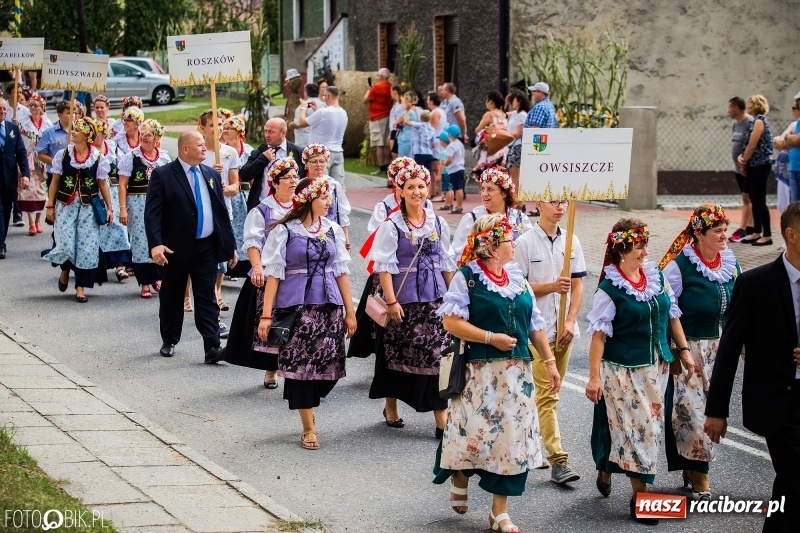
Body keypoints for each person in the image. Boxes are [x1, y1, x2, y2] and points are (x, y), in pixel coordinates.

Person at [433, 213, 560, 533]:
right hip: (479, 375)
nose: (514, 243)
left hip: (517, 375)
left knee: (513, 441)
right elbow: (451, 321)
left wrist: (550, 361)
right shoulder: (468, 277)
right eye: (508, 239)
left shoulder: (517, 278)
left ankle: (499, 512)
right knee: (474, 437)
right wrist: (490, 338)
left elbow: (534, 325)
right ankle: (461, 475)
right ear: (490, 246)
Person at [585, 218, 692, 525]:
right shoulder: (610, 288)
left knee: (650, 429)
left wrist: (683, 351)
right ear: (621, 250)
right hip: (623, 370)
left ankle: (607, 466)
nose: (645, 250)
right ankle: (641, 499)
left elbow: (672, 315)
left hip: (657, 367)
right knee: (639, 431)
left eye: (646, 243)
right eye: (639, 245)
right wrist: (594, 377)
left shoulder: (657, 276)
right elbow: (598, 336)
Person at [705, 202, 800, 533]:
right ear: (791, 235)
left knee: (790, 487)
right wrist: (716, 410)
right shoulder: (757, 284)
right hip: (778, 403)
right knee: (795, 478)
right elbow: (729, 349)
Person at [257, 176, 356, 450]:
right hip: (298, 308)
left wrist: (350, 311)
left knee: (331, 368)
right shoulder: (285, 231)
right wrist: (266, 315)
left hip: (329, 306)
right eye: (323, 198)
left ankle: (309, 403)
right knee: (301, 367)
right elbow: (274, 275)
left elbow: (341, 271)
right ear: (309, 200)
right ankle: (308, 427)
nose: (328, 203)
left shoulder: (333, 229)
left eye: (329, 198)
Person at [657, 204, 740, 501]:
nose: (723, 235)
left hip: (720, 349)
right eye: (717, 231)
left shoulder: (730, 264)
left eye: (724, 230)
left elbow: (740, 310)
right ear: (699, 234)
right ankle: (701, 475)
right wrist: (681, 349)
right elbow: (669, 310)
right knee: (691, 412)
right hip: (689, 348)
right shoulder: (679, 267)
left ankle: (692, 466)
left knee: (712, 409)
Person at [367, 164, 456, 436]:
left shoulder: (437, 222)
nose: (417, 192)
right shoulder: (392, 225)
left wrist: (454, 297)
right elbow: (384, 267)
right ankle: (391, 405)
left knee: (436, 356)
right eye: (411, 187)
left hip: (435, 299)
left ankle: (441, 420)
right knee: (396, 353)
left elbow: (446, 261)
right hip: (403, 301)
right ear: (400, 192)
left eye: (421, 186)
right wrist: (392, 302)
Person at [143, 131, 237, 363]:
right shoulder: (163, 175)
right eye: (200, 145)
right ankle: (170, 339)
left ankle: (212, 346)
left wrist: (230, 245)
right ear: (185, 149)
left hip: (205, 247)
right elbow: (152, 214)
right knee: (172, 295)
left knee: (206, 296)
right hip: (174, 248)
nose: (205, 148)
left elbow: (220, 212)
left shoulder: (210, 174)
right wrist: (156, 244)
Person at [515, 197, 586, 485]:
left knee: (545, 395)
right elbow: (516, 287)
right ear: (539, 206)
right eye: (553, 202)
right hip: (536, 331)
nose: (559, 208)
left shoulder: (572, 241)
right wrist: (551, 287)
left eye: (563, 203)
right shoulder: (524, 243)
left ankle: (526, 444)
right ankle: (559, 460)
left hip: (564, 332)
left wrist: (570, 320)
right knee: (548, 395)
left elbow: (578, 283)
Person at [224, 157, 299, 389]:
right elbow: (253, 242)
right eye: (287, 177)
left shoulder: (302, 207)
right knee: (275, 320)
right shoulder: (263, 210)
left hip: (297, 273)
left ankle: (298, 367)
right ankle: (271, 368)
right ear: (275, 182)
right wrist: (257, 267)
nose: (293, 181)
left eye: (295, 176)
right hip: (271, 272)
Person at [42, 118, 113, 300]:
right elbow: (55, 182)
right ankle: (65, 269)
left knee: (87, 247)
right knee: (65, 242)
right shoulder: (63, 155)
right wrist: (49, 206)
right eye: (72, 130)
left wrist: (110, 208)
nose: (72, 132)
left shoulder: (98, 157)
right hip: (66, 205)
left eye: (76, 131)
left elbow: (103, 184)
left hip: (89, 206)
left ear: (86, 135)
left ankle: (80, 286)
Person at [118, 119, 171, 298]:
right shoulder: (130, 157)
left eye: (148, 134)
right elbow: (122, 185)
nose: (144, 137)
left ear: (156, 137)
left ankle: (158, 277)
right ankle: (145, 282)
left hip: (159, 204)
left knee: (159, 238)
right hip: (137, 203)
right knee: (140, 242)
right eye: (143, 134)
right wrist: (123, 209)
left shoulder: (163, 157)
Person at [196, 109, 241, 315]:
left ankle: (217, 292)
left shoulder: (229, 153)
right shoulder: (199, 152)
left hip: (222, 210)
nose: (218, 128)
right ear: (203, 127)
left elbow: (235, 187)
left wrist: (223, 187)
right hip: (200, 209)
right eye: (213, 124)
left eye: (221, 124)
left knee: (221, 254)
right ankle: (189, 295)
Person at [451, 167, 532, 259]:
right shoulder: (473, 218)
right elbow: (458, 253)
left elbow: (531, 248)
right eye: (482, 189)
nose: (484, 193)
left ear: (504, 193)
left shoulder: (519, 218)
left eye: (490, 189)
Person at [94, 119, 132, 284]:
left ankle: (119, 266)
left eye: (99, 132)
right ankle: (95, 267)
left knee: (116, 226)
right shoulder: (86, 151)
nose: (97, 136)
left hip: (112, 192)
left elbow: (124, 167)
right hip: (94, 192)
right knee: (97, 227)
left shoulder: (113, 148)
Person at [240, 118, 305, 211]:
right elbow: (244, 175)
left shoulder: (298, 151)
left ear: (283, 133)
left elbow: (304, 178)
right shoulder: (259, 152)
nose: (267, 135)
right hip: (262, 204)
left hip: (291, 206)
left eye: (271, 132)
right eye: (265, 131)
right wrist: (262, 159)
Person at [736, 95, 774, 246]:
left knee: (759, 200)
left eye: (750, 103)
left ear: (756, 105)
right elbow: (748, 146)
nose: (748, 105)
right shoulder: (755, 121)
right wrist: (742, 157)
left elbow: (752, 145)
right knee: (754, 199)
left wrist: (744, 160)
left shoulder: (759, 121)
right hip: (753, 165)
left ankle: (768, 234)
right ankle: (757, 231)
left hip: (760, 165)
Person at [302, 143, 351, 246]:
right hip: (304, 235)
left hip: (330, 235)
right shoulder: (301, 186)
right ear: (306, 164)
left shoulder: (334, 185)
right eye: (314, 161)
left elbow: (342, 215)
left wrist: (346, 241)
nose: (318, 165)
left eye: (322, 161)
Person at [222, 115, 255, 272]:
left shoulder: (248, 151)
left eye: (230, 128)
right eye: (225, 128)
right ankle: (229, 263)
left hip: (244, 194)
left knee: (244, 228)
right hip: (228, 193)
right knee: (230, 227)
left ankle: (244, 264)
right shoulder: (222, 150)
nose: (226, 131)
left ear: (239, 131)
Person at [297, 86, 348, 185]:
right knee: (338, 187)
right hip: (338, 152)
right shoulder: (343, 113)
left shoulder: (323, 112)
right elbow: (328, 124)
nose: (324, 98)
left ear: (328, 96)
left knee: (320, 185)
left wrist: (303, 107)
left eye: (325, 96)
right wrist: (316, 110)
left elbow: (301, 123)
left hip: (322, 154)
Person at [0, 98, 31, 259]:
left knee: (6, 210)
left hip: (9, 177)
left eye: (5, 109)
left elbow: (21, 152)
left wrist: (25, 174)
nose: (3, 112)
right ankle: (0, 245)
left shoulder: (12, 128)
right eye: (0, 109)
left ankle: (1, 239)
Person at [17, 94, 52, 235]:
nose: (32, 108)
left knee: (41, 190)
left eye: (35, 105)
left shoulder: (48, 123)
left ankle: (38, 221)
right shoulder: (23, 121)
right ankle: (31, 222)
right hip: (28, 158)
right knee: (28, 190)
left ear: (42, 108)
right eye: (30, 105)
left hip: (41, 160)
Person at [727, 97, 755, 242]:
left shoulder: (750, 122)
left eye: (730, 107)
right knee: (746, 198)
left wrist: (745, 160)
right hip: (738, 169)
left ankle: (744, 229)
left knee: (747, 197)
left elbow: (753, 143)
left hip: (748, 168)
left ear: (737, 108)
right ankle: (750, 227)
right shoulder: (735, 124)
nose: (728, 110)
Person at [364, 68, 394, 173]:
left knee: (379, 144)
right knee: (386, 143)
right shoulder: (390, 87)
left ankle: (381, 167)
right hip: (387, 115)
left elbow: (365, 100)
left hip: (376, 116)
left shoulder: (376, 87)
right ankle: (387, 166)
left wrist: (369, 89)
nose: (377, 78)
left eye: (378, 76)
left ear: (381, 76)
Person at [36, 101, 72, 187]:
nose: (72, 115)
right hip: (55, 174)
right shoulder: (49, 133)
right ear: (60, 115)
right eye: (68, 113)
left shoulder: (78, 131)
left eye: (74, 112)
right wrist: (56, 162)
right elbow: (40, 155)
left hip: (74, 173)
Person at [505, 90, 531, 202]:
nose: (512, 103)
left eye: (513, 100)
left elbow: (518, 133)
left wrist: (504, 134)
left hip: (517, 146)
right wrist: (506, 103)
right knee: (512, 173)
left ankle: (518, 200)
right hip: (512, 146)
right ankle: (516, 198)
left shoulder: (522, 115)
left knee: (515, 174)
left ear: (519, 101)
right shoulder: (515, 113)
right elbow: (503, 114)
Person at [291, 83, 325, 150]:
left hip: (303, 141)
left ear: (306, 93)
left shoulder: (302, 106)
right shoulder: (324, 105)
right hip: (319, 141)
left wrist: (291, 124)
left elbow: (298, 124)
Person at [442, 125, 465, 214]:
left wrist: (445, 164)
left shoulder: (451, 146)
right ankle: (459, 206)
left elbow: (450, 159)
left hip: (454, 168)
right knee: (459, 188)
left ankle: (459, 206)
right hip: (460, 167)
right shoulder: (460, 143)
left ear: (450, 135)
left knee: (457, 188)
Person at [784, 92, 800, 204]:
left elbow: (796, 140)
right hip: (794, 168)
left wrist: (789, 138)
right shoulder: (798, 122)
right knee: (794, 207)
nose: (797, 103)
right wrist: (790, 139)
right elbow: (781, 142)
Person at [388, 84, 405, 164]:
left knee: (396, 152)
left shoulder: (403, 103)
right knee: (393, 152)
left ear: (395, 92)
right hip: (393, 129)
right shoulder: (396, 103)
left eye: (391, 92)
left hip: (398, 129)